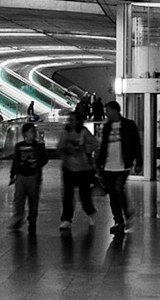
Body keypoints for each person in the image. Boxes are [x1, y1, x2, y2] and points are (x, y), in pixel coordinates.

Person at [94, 99, 142, 235]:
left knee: (118, 189)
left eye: (108, 111)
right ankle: (118, 220)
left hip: (123, 165)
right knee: (113, 193)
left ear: (115, 111)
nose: (106, 114)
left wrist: (138, 161)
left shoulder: (128, 125)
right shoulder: (107, 127)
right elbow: (103, 145)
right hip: (108, 165)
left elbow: (136, 144)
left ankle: (125, 213)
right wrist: (99, 163)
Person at [8, 121, 49, 233]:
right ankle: (19, 217)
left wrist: (38, 165)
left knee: (33, 200)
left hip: (33, 177)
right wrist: (13, 174)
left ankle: (32, 220)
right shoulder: (19, 146)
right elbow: (16, 160)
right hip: (21, 176)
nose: (34, 133)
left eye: (34, 131)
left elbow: (45, 159)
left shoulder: (39, 146)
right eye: (32, 131)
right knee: (19, 199)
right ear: (25, 133)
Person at [57, 116, 96, 230]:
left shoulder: (84, 132)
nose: (71, 122)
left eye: (74, 120)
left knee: (84, 194)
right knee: (68, 195)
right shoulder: (66, 133)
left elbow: (95, 143)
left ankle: (90, 211)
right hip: (68, 167)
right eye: (70, 120)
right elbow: (60, 147)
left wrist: (85, 148)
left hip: (83, 169)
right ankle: (66, 219)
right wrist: (64, 153)